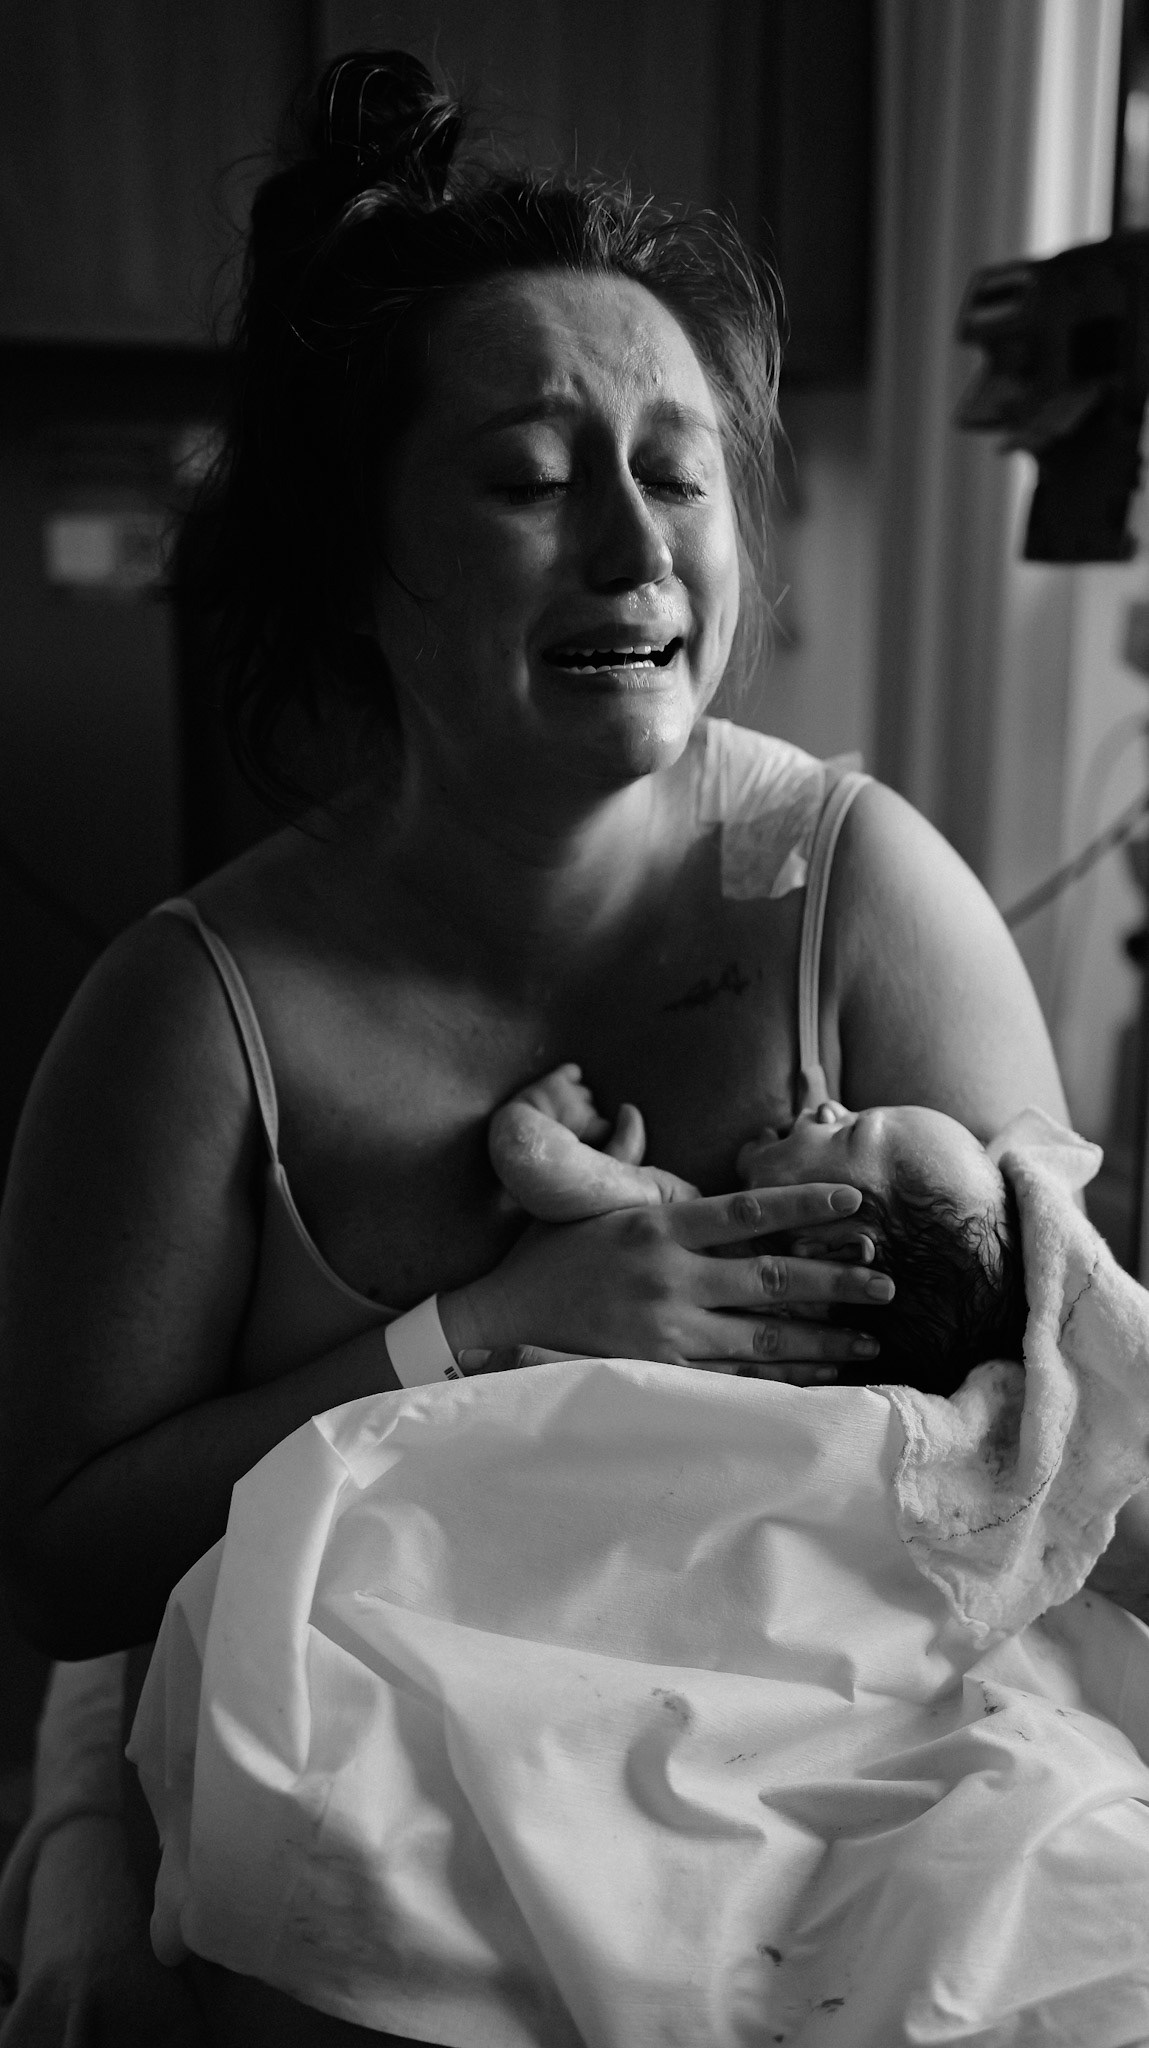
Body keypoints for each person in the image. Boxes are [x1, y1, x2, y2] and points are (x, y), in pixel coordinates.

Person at [0, 42, 1130, 2048]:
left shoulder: (857, 891)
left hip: (828, 1751)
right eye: (529, 480)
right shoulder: (192, 1017)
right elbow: (71, 1565)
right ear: (353, 560)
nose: (635, 548)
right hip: (399, 1773)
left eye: (676, 473)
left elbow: (1059, 1430)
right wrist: (480, 1327)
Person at [488, 1064, 1027, 1397]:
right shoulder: (789, 1395)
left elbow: (527, 1156)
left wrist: (542, 1116)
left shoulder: (676, 1223)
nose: (828, 1105)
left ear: (835, 1251)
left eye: (848, 1129)